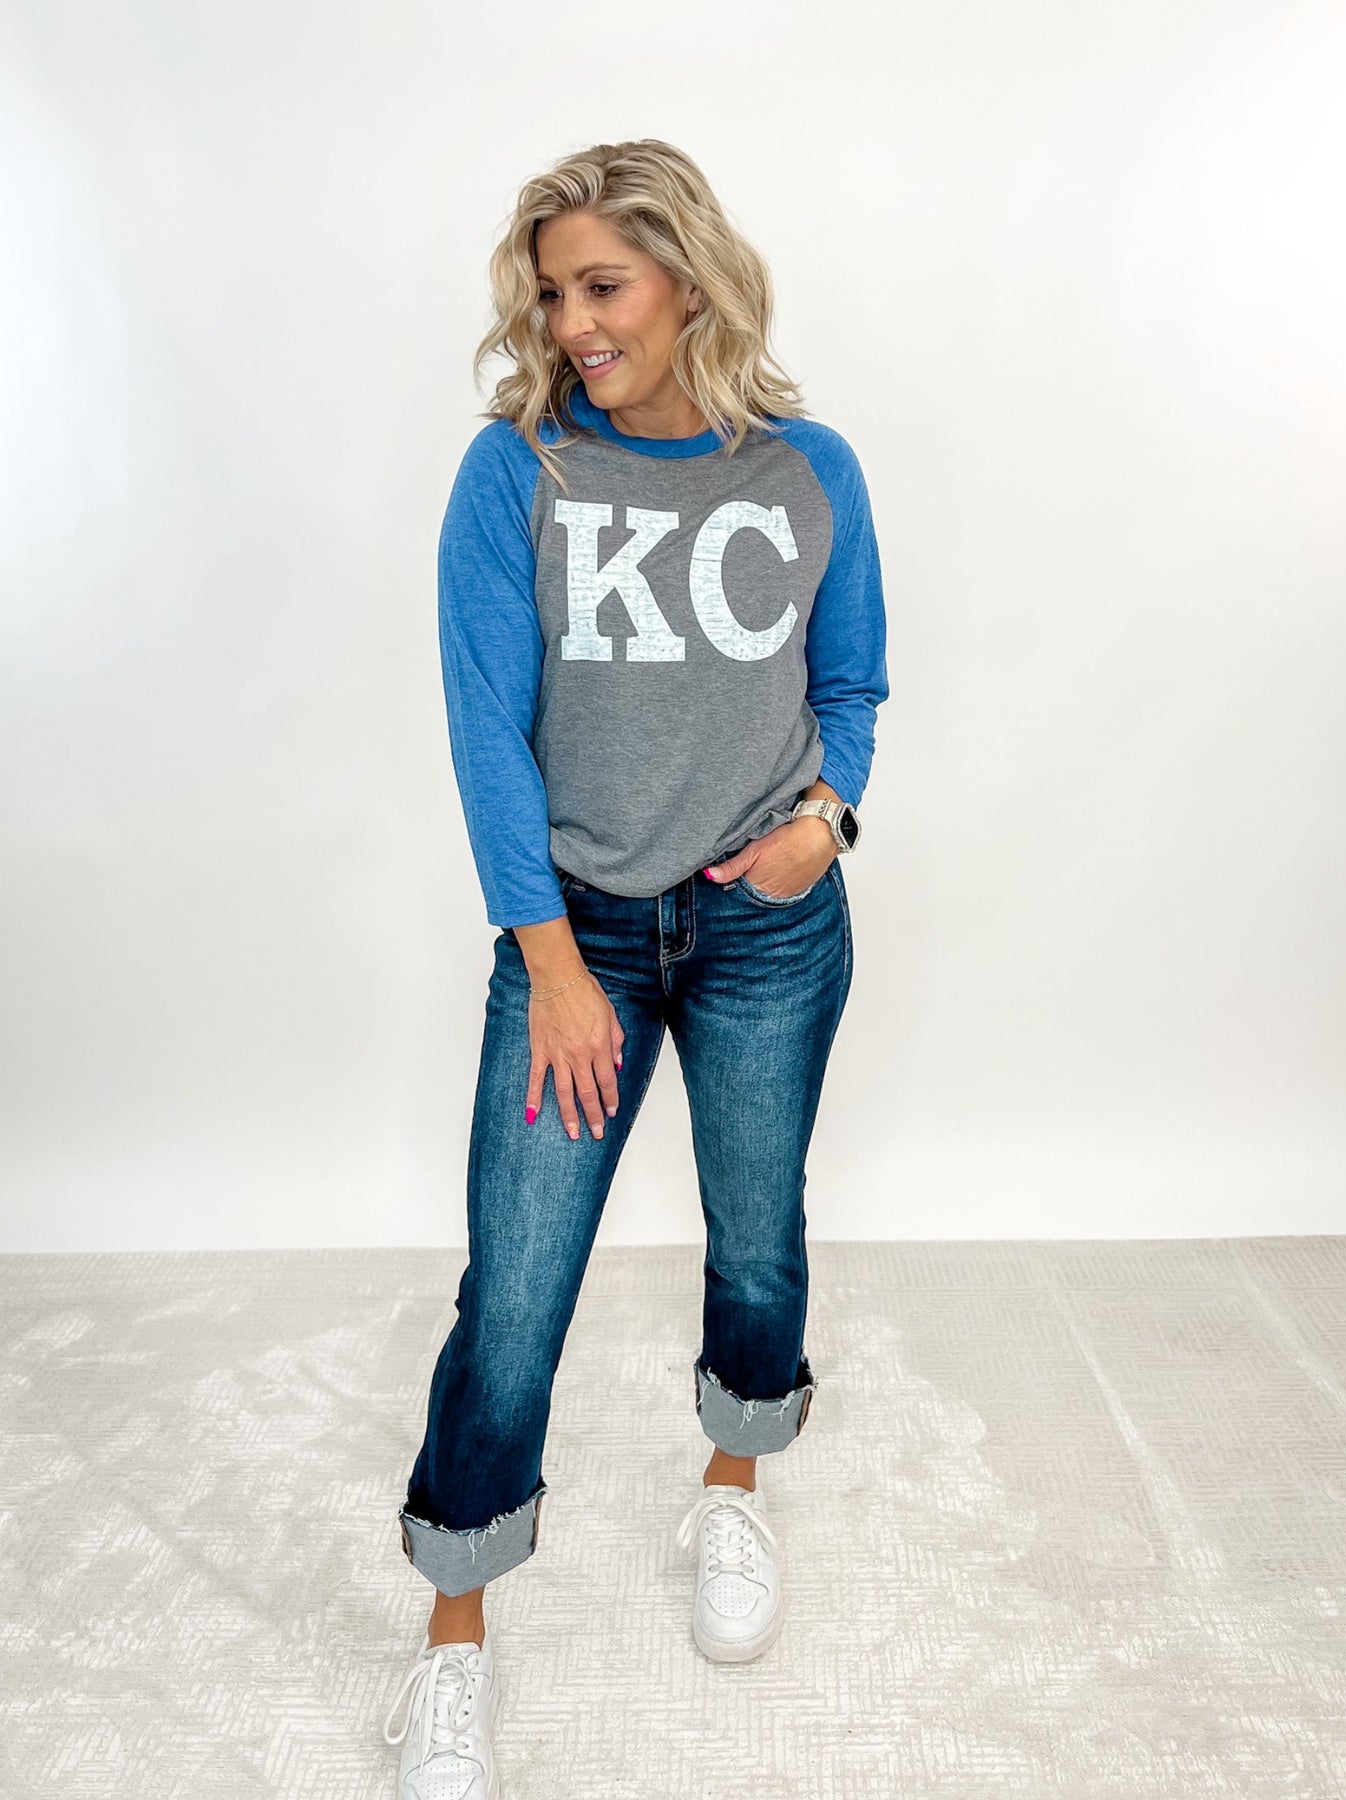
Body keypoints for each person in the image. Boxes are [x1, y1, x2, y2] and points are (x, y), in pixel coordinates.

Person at [381, 138, 889, 1799]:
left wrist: (825, 820)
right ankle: (454, 1635)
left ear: (689, 278)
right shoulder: (516, 472)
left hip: (765, 927)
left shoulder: (808, 470)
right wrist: (550, 958)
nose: (573, 323)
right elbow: (486, 732)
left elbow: (851, 684)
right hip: (576, 934)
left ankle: (730, 1494)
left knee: (756, 1239)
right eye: (551, 293)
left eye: (601, 285)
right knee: (515, 1290)